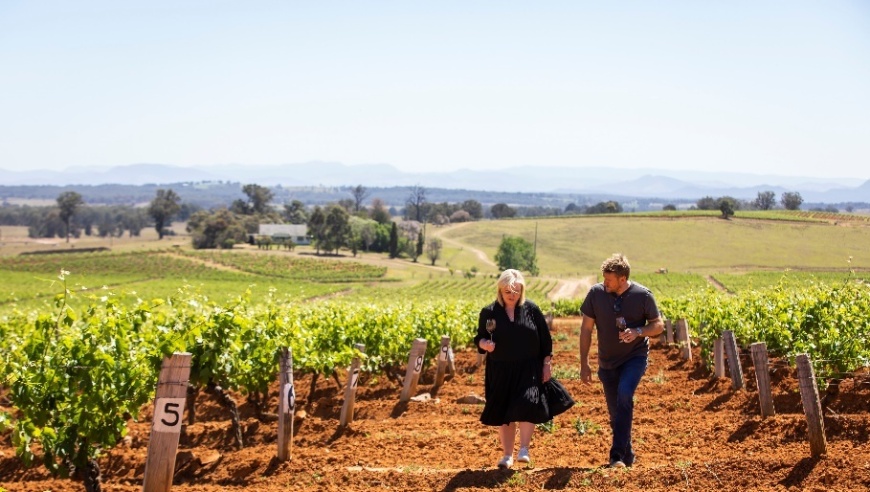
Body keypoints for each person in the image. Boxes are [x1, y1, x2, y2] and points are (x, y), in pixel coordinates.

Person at [579, 253, 664, 469]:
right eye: (604, 278)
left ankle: (616, 455)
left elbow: (658, 325)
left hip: (634, 357)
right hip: (607, 362)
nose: (604, 283)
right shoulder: (596, 294)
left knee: (625, 393)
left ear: (623, 279)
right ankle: (628, 453)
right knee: (615, 412)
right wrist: (584, 363)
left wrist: (638, 331)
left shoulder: (643, 296)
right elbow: (586, 329)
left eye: (609, 280)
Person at [474, 269, 553, 469]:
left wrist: (546, 364)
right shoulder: (489, 312)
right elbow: (480, 337)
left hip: (529, 368)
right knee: (505, 413)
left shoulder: (532, 310)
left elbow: (545, 340)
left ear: (522, 290)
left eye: (516, 291)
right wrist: (485, 344)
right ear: (500, 290)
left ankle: (524, 449)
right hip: (500, 369)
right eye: (508, 291)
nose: (512, 295)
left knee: (528, 403)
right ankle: (507, 455)